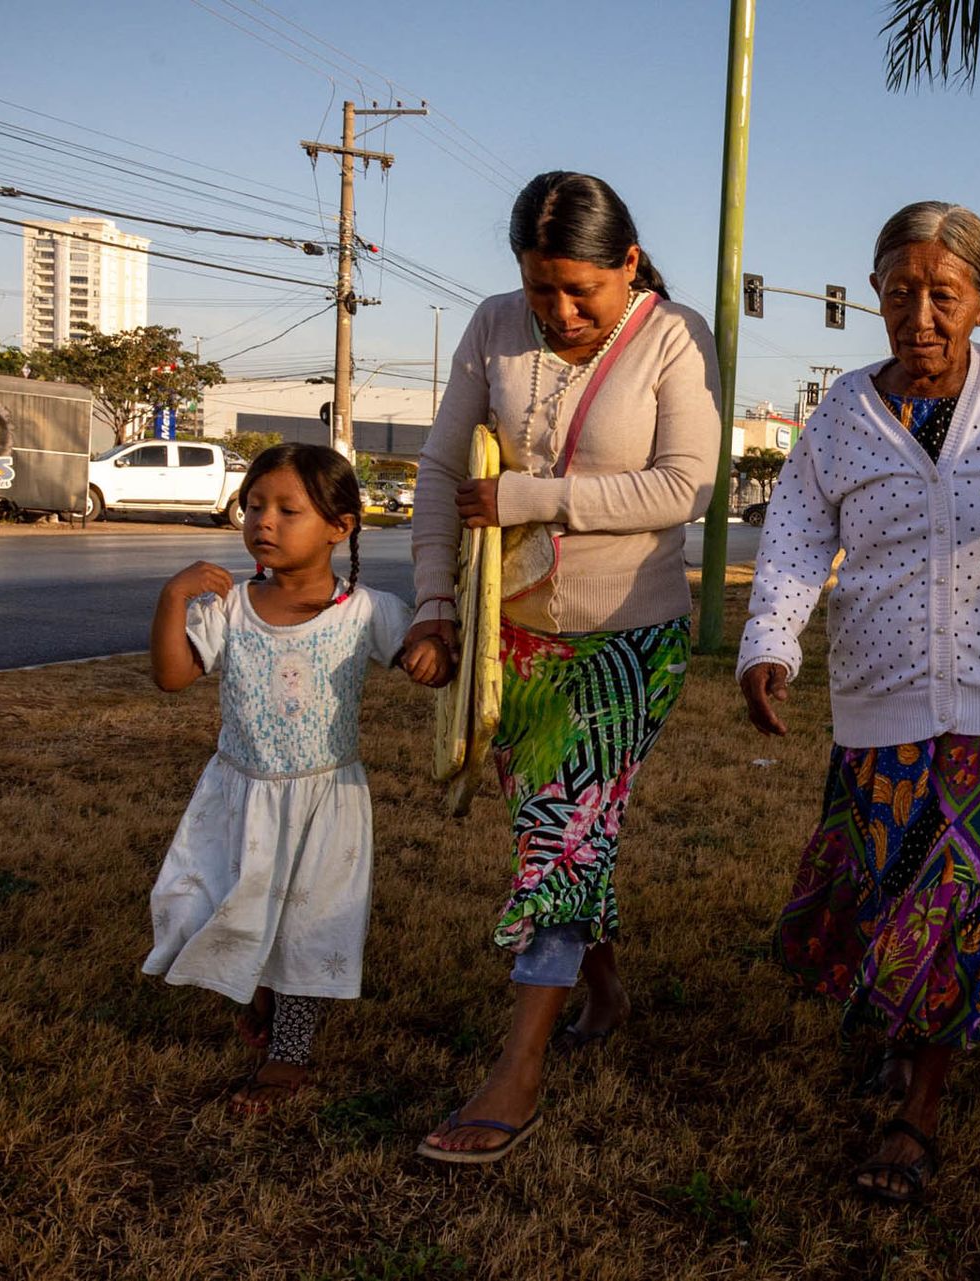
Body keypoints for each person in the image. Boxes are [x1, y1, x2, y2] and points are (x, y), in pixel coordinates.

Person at [737, 200, 980, 1203]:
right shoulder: (840, 413)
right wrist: (770, 643)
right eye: (899, 292)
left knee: (955, 895)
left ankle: (921, 1109)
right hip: (878, 693)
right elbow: (790, 535)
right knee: (884, 882)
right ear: (873, 292)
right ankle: (904, 1033)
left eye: (943, 296)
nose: (920, 315)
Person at [404, 171, 721, 1164]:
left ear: (629, 264)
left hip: (633, 638)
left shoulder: (676, 336)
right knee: (568, 821)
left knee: (559, 836)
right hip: (518, 640)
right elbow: (443, 473)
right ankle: (607, 990)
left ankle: (518, 1074)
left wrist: (537, 498)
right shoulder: (494, 326)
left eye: (582, 289)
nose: (561, 312)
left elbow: (685, 487)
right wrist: (437, 605)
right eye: (543, 289)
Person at [144, 443, 430, 1114]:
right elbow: (172, 675)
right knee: (220, 900)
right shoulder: (233, 607)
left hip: (325, 801)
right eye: (253, 506)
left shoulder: (368, 611)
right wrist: (173, 595)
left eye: (286, 509)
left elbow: (429, 657)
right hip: (238, 792)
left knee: (306, 922)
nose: (263, 521)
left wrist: (430, 651)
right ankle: (262, 991)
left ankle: (289, 1054)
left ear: (341, 525)